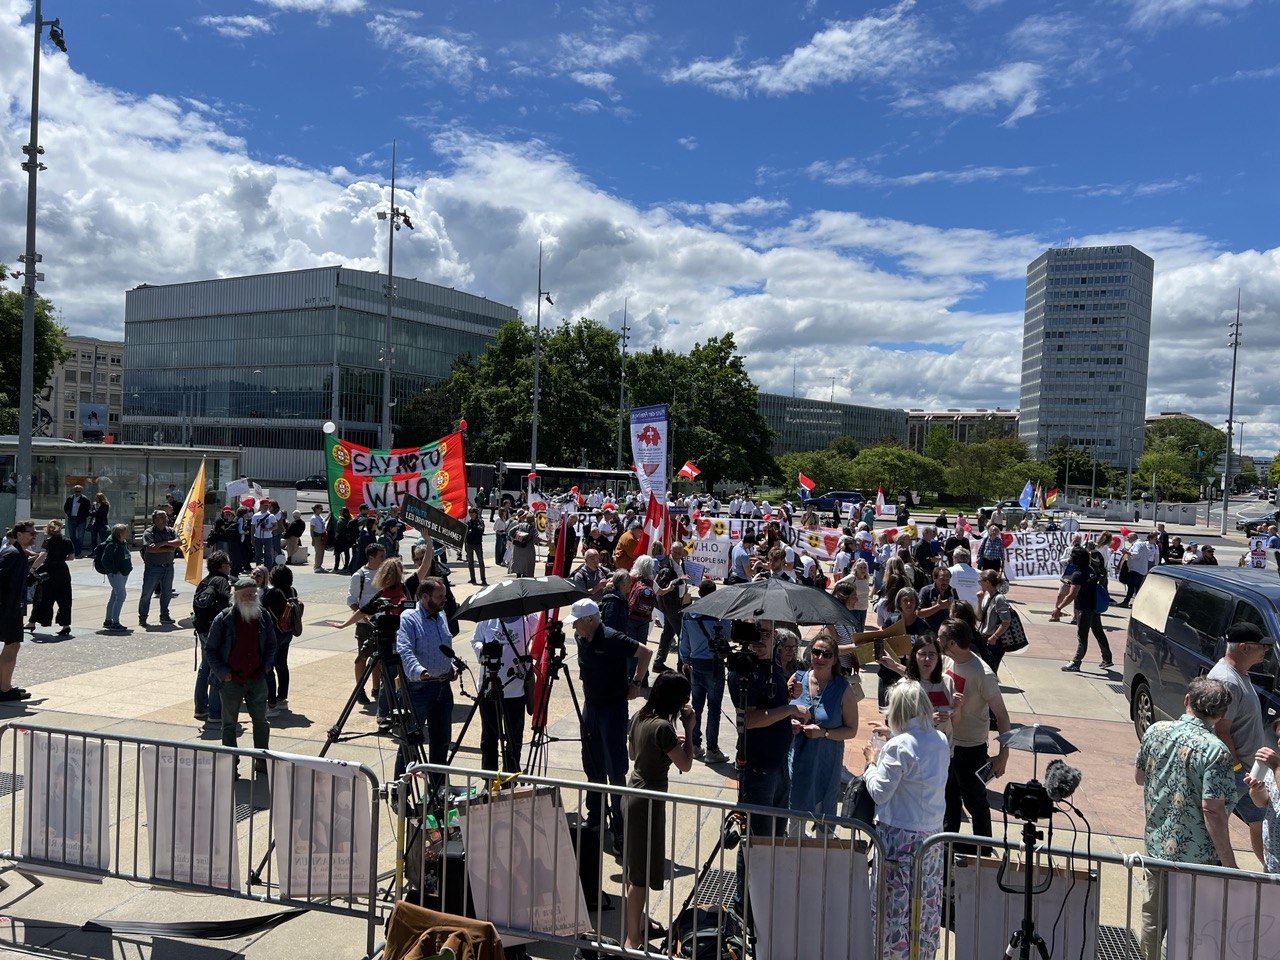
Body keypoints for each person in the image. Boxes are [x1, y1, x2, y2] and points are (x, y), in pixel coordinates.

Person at [1134, 677, 1236, 960]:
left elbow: (1139, 777)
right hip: (1198, 858)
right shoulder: (1216, 751)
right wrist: (1229, 863)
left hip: (1157, 847)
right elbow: (1212, 810)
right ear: (1222, 713)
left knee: (1153, 917)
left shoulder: (1155, 731)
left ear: (1187, 700)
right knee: (1193, 924)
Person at [863, 680, 950, 960]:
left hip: (899, 838)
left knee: (895, 912)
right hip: (931, 837)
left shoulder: (897, 746)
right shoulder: (940, 739)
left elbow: (879, 792)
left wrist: (871, 764)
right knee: (924, 906)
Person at [572, 598, 652, 852]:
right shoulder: (581, 638)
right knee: (592, 764)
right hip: (591, 707)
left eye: (576, 621)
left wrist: (636, 683)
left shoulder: (613, 637)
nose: (573, 626)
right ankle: (595, 817)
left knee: (615, 770)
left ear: (589, 620)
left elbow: (645, 653)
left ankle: (620, 827)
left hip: (612, 709)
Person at [623, 671, 695, 951]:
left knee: (634, 866)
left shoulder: (639, 716)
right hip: (648, 801)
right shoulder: (664, 727)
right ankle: (632, 939)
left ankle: (639, 922)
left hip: (633, 791)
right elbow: (686, 764)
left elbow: (632, 754)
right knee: (640, 875)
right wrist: (689, 730)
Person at [940, 618, 1010, 847]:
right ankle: (947, 848)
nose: (936, 639)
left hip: (971, 749)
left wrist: (1003, 755)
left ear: (952, 643)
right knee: (949, 801)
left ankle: (983, 851)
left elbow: (1002, 716)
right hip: (948, 744)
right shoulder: (948, 660)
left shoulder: (982, 673)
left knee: (975, 802)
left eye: (940, 637)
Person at [1207, 622, 1273, 863]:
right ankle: (1212, 870)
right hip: (1235, 772)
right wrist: (1236, 768)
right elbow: (1221, 730)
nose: (1265, 650)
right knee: (1215, 824)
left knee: (1261, 821)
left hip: (1248, 772)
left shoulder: (1240, 674)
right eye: (1261, 646)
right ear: (1244, 648)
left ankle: (1270, 871)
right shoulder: (1227, 680)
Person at [787, 635, 861, 831]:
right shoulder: (796, 679)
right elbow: (782, 711)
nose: (820, 658)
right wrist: (789, 723)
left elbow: (852, 730)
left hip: (826, 766)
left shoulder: (843, 688)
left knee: (824, 832)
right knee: (794, 827)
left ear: (834, 659)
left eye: (827, 654)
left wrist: (824, 732)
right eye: (816, 652)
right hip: (798, 764)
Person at [206, 575, 277, 775]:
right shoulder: (224, 619)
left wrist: (266, 667)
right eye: (246, 595)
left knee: (261, 721)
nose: (251, 598)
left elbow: (272, 644)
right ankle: (231, 764)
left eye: (253, 594)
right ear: (236, 596)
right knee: (229, 724)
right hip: (231, 681)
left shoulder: (263, 616)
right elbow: (210, 649)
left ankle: (261, 760)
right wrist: (224, 674)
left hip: (257, 678)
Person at [396, 578, 458, 776]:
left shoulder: (441, 614)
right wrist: (419, 671)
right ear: (425, 597)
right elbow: (404, 650)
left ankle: (437, 786)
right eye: (440, 596)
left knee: (441, 741)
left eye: (445, 595)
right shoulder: (409, 618)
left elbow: (444, 646)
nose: (444, 600)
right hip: (419, 689)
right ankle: (401, 788)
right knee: (411, 743)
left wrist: (450, 666)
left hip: (443, 687)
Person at [470, 612, 535, 773]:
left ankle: (510, 776)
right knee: (489, 737)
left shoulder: (528, 618)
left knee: (514, 738)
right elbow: (475, 640)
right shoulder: (487, 618)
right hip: (489, 687)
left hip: (516, 689)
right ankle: (489, 777)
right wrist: (484, 649)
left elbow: (540, 638)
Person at [678, 581, 730, 764]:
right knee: (714, 708)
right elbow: (728, 635)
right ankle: (712, 749)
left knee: (696, 706)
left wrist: (685, 660)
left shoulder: (688, 614)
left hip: (694, 663)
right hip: (714, 665)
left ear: (699, 592)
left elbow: (683, 640)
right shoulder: (720, 613)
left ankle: (695, 745)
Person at [1059, 546, 1114, 673]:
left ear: (1075, 559)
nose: (1069, 558)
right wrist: (1072, 584)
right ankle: (1107, 658)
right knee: (1098, 632)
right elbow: (1086, 585)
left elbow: (1071, 595)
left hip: (1084, 609)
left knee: (1082, 636)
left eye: (1071, 556)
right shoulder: (1090, 570)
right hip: (1094, 606)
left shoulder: (1077, 574)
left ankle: (1076, 662)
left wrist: (1058, 608)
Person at [192, 551, 232, 725]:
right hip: (215, 630)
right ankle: (215, 712)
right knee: (217, 668)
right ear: (223, 566)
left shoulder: (204, 582)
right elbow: (228, 601)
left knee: (205, 666)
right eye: (228, 564)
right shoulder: (221, 581)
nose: (229, 567)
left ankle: (200, 707)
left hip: (202, 629)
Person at [0, 522, 37, 701]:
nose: (34, 536)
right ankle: (4, 689)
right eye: (31, 533)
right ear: (19, 534)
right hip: (8, 608)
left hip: (12, 606)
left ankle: (4, 685)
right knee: (12, 644)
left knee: (13, 645)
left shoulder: (19, 554)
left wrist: (30, 579)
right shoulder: (12, 554)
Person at [347, 543, 387, 706]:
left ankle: (376, 688)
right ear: (371, 557)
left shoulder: (385, 573)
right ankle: (359, 690)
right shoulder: (359, 575)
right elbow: (351, 600)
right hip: (365, 624)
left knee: (379, 657)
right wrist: (363, 615)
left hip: (382, 622)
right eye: (381, 556)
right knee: (362, 657)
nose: (384, 559)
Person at [1244, 715, 1280, 874]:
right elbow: (1262, 803)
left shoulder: (1276, 765)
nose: (1278, 743)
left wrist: (1276, 766)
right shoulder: (1276, 766)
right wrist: (1258, 789)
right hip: (1273, 862)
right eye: (1278, 737)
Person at [261, 565, 299, 717]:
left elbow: (261, 608)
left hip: (274, 634)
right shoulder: (292, 591)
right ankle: (282, 698)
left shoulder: (273, 592)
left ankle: (271, 704)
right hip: (288, 632)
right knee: (282, 664)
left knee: (268, 667)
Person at [28, 519, 74, 637]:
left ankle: (33, 622)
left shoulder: (48, 541)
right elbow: (71, 557)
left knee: (42, 597)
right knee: (64, 599)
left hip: (49, 571)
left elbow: (43, 556)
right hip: (63, 571)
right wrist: (61, 559)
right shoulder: (67, 541)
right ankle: (65, 625)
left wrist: (33, 568)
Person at [138, 509, 179, 627]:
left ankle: (164, 615)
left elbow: (179, 542)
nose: (165, 519)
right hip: (153, 568)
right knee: (147, 593)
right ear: (155, 520)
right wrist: (170, 547)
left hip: (168, 567)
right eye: (162, 517)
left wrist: (162, 543)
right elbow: (150, 549)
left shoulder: (170, 531)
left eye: (165, 517)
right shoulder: (149, 532)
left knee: (167, 593)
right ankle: (143, 617)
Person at [653, 543, 690, 672]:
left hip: (677, 602)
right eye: (675, 553)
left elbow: (682, 577)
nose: (678, 555)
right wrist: (679, 581)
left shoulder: (681, 563)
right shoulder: (666, 567)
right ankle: (681, 665)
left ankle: (658, 663)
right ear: (671, 551)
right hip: (670, 605)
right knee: (682, 635)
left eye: (680, 553)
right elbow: (662, 586)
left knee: (668, 633)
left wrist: (684, 586)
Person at [977, 569, 1014, 674]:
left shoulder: (999, 599)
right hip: (985, 638)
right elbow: (979, 618)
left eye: (980, 581)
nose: (979, 583)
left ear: (988, 582)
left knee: (990, 672)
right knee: (983, 671)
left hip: (994, 642)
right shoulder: (986, 596)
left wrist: (994, 637)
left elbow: (1006, 621)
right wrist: (979, 601)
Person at [98, 522, 133, 632]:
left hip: (123, 573)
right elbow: (105, 560)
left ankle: (108, 620)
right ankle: (115, 622)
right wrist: (114, 570)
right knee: (121, 595)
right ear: (120, 533)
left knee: (115, 596)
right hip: (116, 574)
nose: (128, 533)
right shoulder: (112, 545)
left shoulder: (123, 543)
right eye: (126, 531)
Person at [626, 555, 659, 648]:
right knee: (641, 646)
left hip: (630, 615)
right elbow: (661, 592)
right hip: (645, 617)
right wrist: (670, 587)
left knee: (630, 645)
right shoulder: (651, 582)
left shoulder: (629, 578)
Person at [918, 565, 956, 633]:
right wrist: (938, 607)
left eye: (947, 580)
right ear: (935, 579)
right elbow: (919, 613)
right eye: (942, 579)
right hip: (930, 631)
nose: (945, 582)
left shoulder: (952, 591)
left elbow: (957, 612)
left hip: (947, 632)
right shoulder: (926, 591)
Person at [507, 511, 539, 577]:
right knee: (527, 564)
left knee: (518, 562)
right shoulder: (532, 528)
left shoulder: (520, 525)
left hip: (517, 547)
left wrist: (515, 539)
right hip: (528, 549)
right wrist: (546, 541)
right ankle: (525, 577)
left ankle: (518, 576)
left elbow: (510, 532)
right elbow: (536, 539)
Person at [63, 484, 91, 557]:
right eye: (76, 491)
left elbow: (88, 509)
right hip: (71, 518)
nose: (77, 493)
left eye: (79, 491)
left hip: (81, 520)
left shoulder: (84, 499)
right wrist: (68, 513)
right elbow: (66, 507)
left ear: (81, 491)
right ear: (74, 491)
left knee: (80, 536)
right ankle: (73, 550)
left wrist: (84, 516)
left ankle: (78, 551)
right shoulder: (70, 498)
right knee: (72, 536)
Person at [464, 506, 487, 585]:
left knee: (481, 562)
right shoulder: (468, 523)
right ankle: (472, 579)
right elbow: (466, 533)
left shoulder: (480, 522)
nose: (471, 514)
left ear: (476, 514)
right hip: (469, 544)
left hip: (477, 544)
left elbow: (481, 530)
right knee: (470, 562)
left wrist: (473, 529)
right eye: (470, 513)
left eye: (472, 513)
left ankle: (483, 579)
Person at [309, 504, 328, 572]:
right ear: (316, 509)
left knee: (322, 552)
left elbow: (324, 521)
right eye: (321, 509)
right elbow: (311, 530)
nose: (322, 510)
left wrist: (329, 515)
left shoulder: (319, 516)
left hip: (322, 536)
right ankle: (317, 567)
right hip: (316, 536)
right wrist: (313, 539)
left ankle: (319, 565)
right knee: (318, 552)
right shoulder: (313, 518)